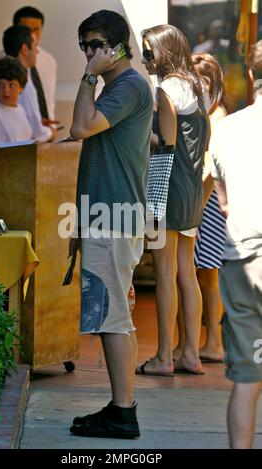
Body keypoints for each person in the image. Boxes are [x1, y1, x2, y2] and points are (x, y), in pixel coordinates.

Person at [68, 10, 153, 439]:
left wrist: (87, 77)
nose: (88, 53)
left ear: (118, 46)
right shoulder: (123, 87)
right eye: (83, 45)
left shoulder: (128, 85)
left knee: (111, 317)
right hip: (110, 215)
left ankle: (123, 415)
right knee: (116, 314)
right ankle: (122, 405)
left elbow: (80, 127)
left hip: (113, 217)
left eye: (95, 44)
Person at [136, 25, 209, 376]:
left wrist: (134, 132)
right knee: (187, 273)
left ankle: (164, 356)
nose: (145, 59)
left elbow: (164, 146)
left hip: (168, 189)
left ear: (165, 52)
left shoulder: (165, 89)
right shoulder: (197, 85)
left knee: (165, 273)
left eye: (149, 52)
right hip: (193, 189)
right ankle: (190, 353)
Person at [211, 40, 262, 449]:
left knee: (248, 378)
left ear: (250, 76)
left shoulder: (226, 129)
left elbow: (223, 202)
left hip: (240, 258)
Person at [193, 53, 228, 363]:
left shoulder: (216, 117)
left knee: (207, 273)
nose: (198, 87)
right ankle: (208, 342)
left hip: (209, 202)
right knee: (204, 273)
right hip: (206, 200)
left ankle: (213, 342)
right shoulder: (208, 115)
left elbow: (209, 167)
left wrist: (197, 205)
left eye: (203, 81)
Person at [0, 5, 57, 122]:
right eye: (26, 29)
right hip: (13, 134)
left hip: (46, 132)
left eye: (36, 29)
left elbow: (48, 99)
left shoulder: (49, 61)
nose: (31, 34)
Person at [2, 25, 53, 143]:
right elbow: (37, 134)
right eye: (35, 46)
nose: (37, 51)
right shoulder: (22, 82)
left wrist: (38, 122)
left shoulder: (2, 73)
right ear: (25, 49)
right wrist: (50, 132)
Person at [0, 56, 33, 145]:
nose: (6, 90)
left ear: (21, 87)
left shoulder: (20, 109)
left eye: (11, 85)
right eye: (1, 84)